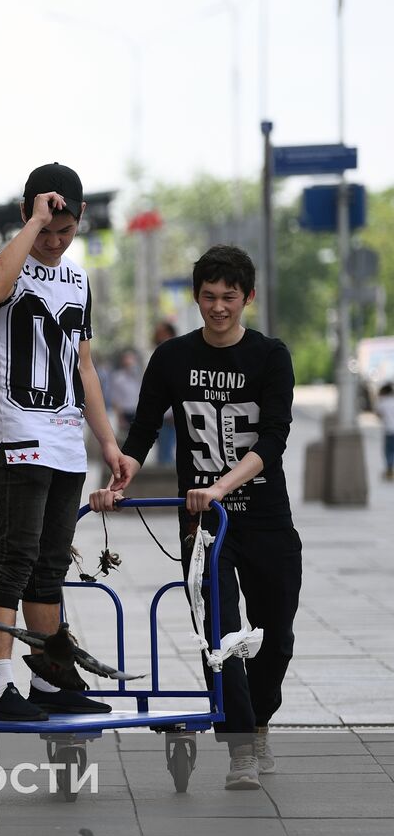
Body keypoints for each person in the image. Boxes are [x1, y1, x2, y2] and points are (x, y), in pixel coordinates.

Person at [94, 245, 301, 791]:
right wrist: (122, 474)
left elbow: (275, 439)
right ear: (196, 298)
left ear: (247, 297)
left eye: (228, 297)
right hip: (202, 526)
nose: (218, 308)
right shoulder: (172, 357)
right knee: (221, 634)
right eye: (208, 297)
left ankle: (257, 721)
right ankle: (240, 751)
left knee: (275, 637)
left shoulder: (270, 356)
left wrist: (219, 487)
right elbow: (143, 429)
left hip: (264, 516)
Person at [0, 163, 133, 721]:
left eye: (65, 232)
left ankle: (46, 681)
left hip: (67, 442)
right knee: (13, 559)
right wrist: (34, 222)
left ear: (80, 221)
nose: (55, 242)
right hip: (20, 434)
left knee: (48, 568)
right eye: (46, 231)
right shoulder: (5, 265)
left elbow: (85, 369)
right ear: (27, 216)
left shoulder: (78, 280)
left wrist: (109, 444)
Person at [152, 321, 179, 464]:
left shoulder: (177, 353)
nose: (158, 336)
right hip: (160, 413)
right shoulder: (156, 354)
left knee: (169, 453)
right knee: (163, 453)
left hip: (172, 413)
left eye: (162, 333)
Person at [377, 380, 394, 481]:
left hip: (388, 430)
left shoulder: (383, 402)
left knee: (388, 450)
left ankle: (389, 469)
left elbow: (378, 414)